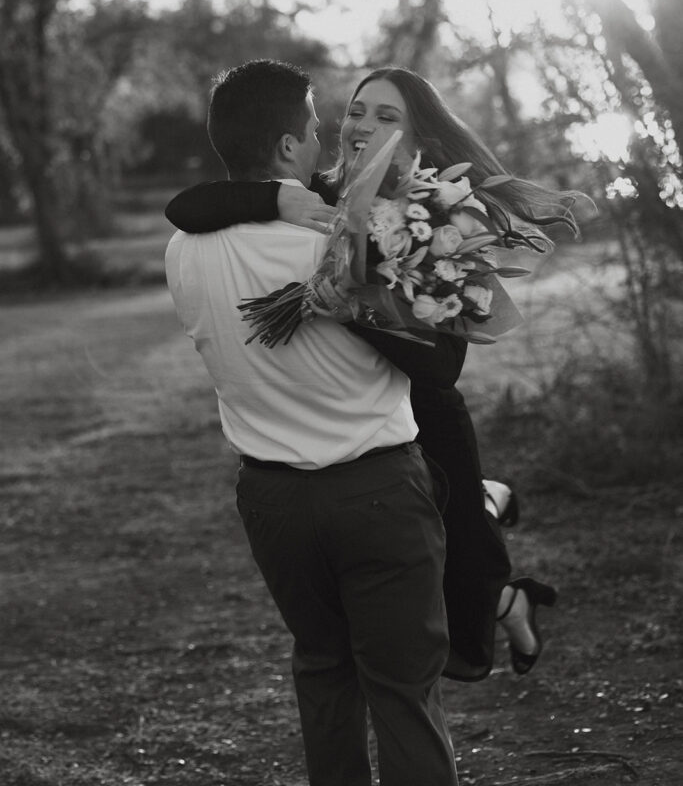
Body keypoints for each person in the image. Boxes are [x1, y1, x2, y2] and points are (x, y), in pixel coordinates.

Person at [166, 65, 573, 679]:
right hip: (370, 430)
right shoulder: (327, 195)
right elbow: (188, 206)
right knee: (421, 589)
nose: (364, 125)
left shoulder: (434, 214)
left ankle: (495, 546)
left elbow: (445, 365)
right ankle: (494, 527)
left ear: (418, 135)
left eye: (388, 116)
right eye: (357, 111)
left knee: (459, 588)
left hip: (427, 414)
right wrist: (273, 197)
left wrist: (353, 308)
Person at [165, 59, 459, 786]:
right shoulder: (343, 243)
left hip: (273, 505)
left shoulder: (180, 251)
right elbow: (440, 365)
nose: (333, 136)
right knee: (401, 691)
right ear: (291, 148)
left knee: (324, 679)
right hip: (376, 493)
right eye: (318, 128)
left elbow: (194, 208)